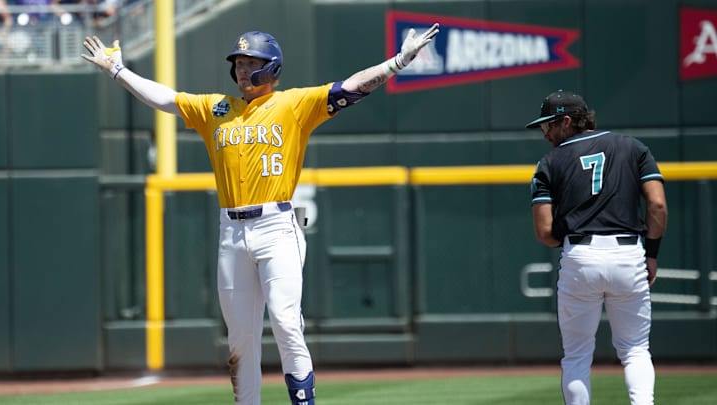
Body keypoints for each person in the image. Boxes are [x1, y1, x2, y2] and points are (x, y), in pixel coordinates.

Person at [82, 24, 439, 405]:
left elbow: (351, 87)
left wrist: (398, 61)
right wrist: (118, 71)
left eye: (250, 61)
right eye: (238, 61)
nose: (241, 68)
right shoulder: (216, 108)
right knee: (241, 341)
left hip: (276, 227)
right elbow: (166, 99)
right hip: (231, 234)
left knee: (286, 324)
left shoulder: (293, 105)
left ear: (271, 68)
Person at [527, 89, 668, 405]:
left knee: (576, 356)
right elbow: (657, 205)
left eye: (547, 125)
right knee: (635, 350)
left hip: (580, 256)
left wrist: (577, 237)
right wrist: (652, 254)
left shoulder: (550, 162)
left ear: (566, 122)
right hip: (629, 253)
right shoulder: (633, 148)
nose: (545, 133)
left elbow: (545, 232)